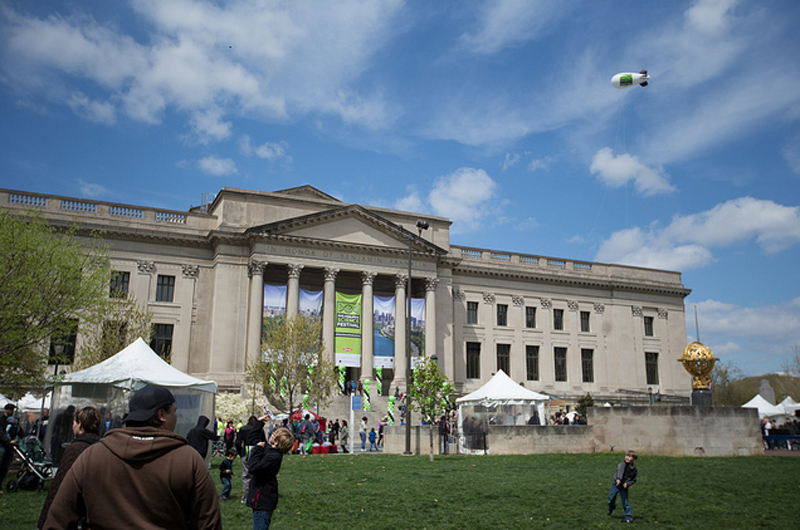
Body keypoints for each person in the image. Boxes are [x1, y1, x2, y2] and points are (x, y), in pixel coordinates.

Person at [43, 384, 222, 529]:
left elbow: (58, 519)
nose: (176, 417)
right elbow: (209, 524)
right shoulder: (189, 460)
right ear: (161, 415)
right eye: (173, 411)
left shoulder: (92, 455)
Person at [38, 406, 102, 528]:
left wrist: (44, 521)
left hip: (74, 512)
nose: (72, 425)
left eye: (74, 422)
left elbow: (59, 484)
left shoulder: (76, 448)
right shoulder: (102, 447)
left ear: (80, 424)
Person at [246, 426, 295, 529]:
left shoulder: (273, 457)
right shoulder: (270, 450)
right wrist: (259, 423)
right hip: (260, 498)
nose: (271, 435)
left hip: (263, 500)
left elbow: (253, 468)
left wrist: (258, 449)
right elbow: (252, 437)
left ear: (276, 442)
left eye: (273, 435)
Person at [608, 450, 638, 523]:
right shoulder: (622, 464)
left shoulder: (634, 470)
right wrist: (618, 479)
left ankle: (628, 517)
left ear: (634, 460)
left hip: (624, 487)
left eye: (630, 457)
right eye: (627, 456)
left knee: (625, 501)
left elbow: (634, 480)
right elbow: (619, 472)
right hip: (616, 484)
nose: (627, 457)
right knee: (611, 496)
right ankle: (611, 507)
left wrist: (627, 483)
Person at [0, 403, 18, 494]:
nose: (12, 412)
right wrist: (8, 440)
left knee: (4, 468)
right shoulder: (1, 420)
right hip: (2, 445)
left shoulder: (11, 421)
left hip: (9, 447)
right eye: (11, 410)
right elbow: (1, 433)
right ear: (6, 410)